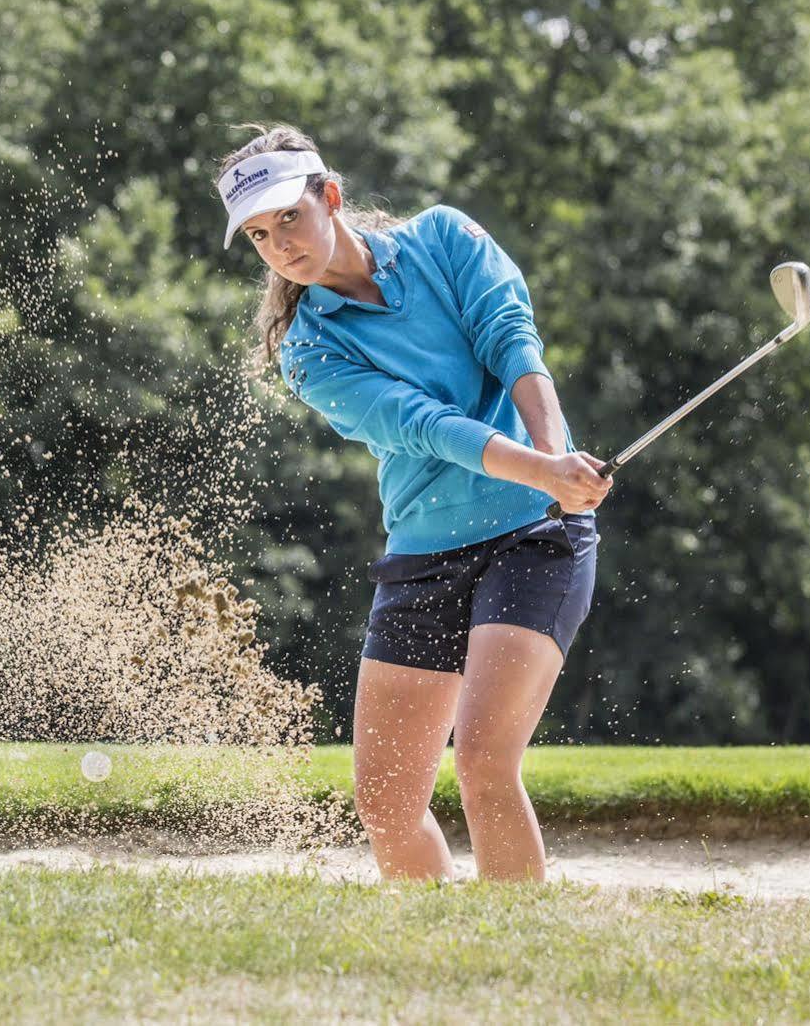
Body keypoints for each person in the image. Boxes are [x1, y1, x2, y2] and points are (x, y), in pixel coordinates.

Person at [215, 123, 611, 883]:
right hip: (426, 551)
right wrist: (542, 466)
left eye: (289, 218)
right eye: (260, 236)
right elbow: (421, 426)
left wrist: (555, 467)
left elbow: (512, 342)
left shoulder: (445, 237)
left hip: (535, 532)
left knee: (485, 762)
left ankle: (524, 960)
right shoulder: (306, 349)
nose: (280, 246)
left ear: (329, 197)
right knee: (386, 801)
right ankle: (433, 964)